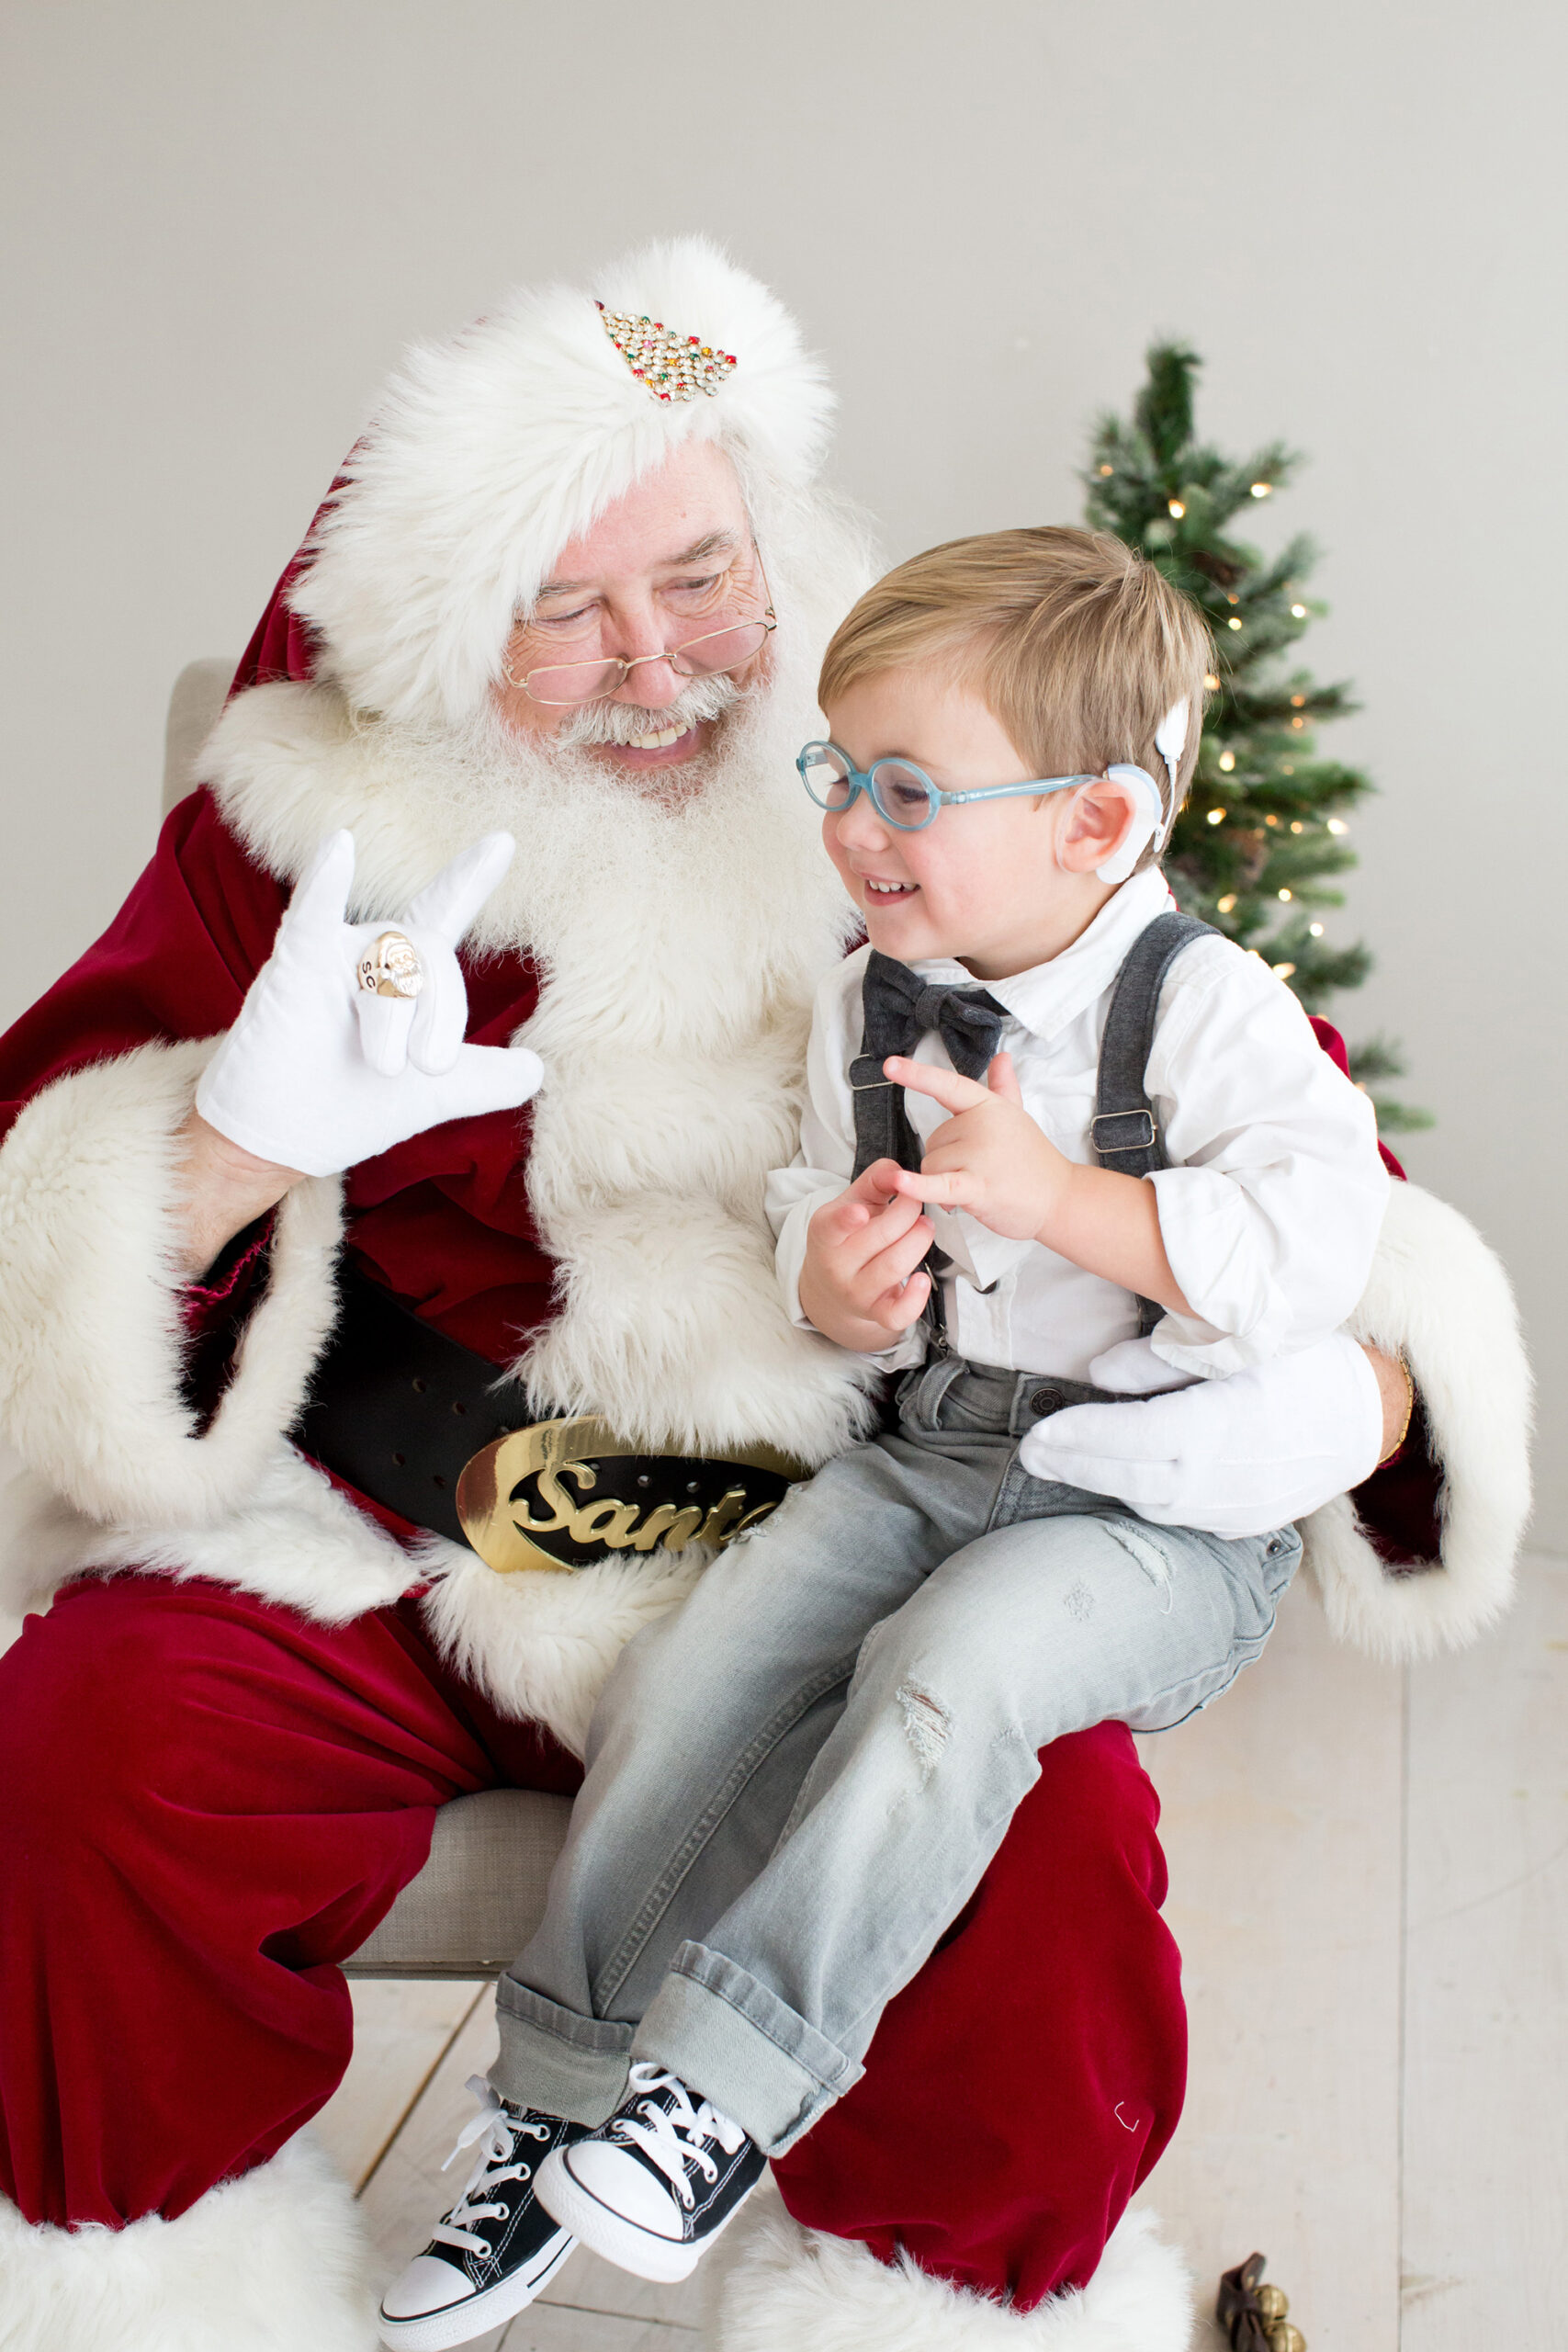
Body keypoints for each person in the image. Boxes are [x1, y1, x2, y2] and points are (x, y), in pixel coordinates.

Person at [0, 242, 1528, 2352]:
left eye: (699, 575)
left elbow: (1258, 1106)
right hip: (392, 1532)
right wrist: (238, 1138)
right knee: (90, 1744)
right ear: (457, 619)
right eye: (565, 604)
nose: (657, 662)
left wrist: (1360, 1394)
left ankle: (940, 2309)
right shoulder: (310, 825)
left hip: (843, 1513)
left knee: (1038, 1810)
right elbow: (54, 1194)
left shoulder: (909, 766)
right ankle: (136, 2297)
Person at [383, 526, 1390, 2324]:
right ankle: (549, 2100)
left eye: (907, 788)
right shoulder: (866, 986)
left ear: (1089, 824)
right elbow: (801, 1187)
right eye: (838, 771)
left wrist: (1068, 1200)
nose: (852, 821)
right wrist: (829, 1275)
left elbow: (1317, 1251)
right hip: (930, 1451)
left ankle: (725, 2086)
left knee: (949, 1668)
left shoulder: (1204, 1010)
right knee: (703, 1670)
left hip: (1147, 1509)